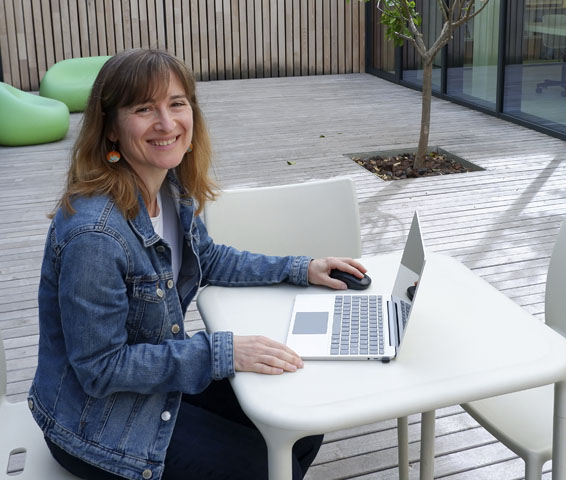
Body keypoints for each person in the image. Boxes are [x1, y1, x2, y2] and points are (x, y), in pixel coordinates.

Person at [28, 48, 367, 480]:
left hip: (152, 385)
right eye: (143, 109)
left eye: (176, 103)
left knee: (301, 420)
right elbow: (101, 369)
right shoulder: (95, 234)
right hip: (98, 421)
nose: (166, 124)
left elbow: (208, 258)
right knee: (259, 465)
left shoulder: (168, 187)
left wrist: (301, 268)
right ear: (111, 127)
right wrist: (222, 351)